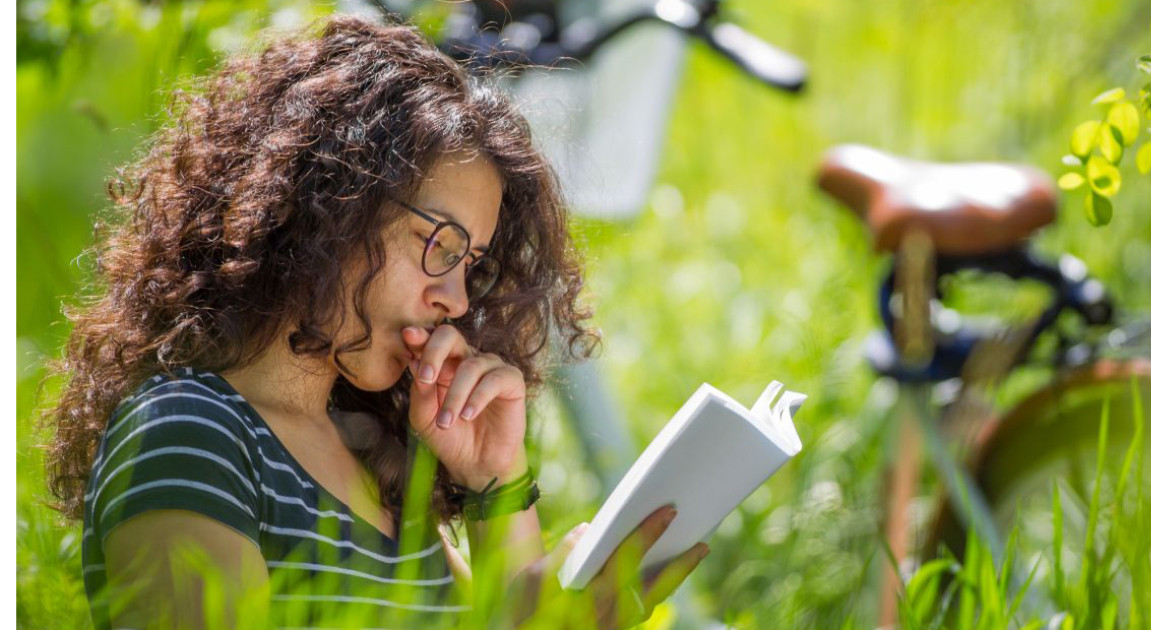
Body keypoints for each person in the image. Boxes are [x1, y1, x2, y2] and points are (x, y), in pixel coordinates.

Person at [44, 14, 708, 630]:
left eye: (469, 265)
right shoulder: (189, 431)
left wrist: (494, 484)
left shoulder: (370, 452)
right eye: (441, 249)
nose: (456, 301)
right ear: (332, 203)